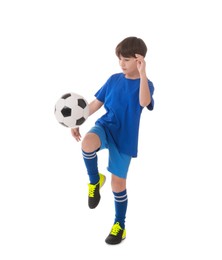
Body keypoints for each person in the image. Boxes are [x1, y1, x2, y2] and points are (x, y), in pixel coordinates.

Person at [71, 36, 154, 245]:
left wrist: (143, 74)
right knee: (87, 143)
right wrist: (78, 120)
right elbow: (96, 104)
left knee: (118, 185)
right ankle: (94, 180)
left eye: (126, 60)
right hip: (106, 126)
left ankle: (120, 225)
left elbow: (144, 102)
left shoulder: (147, 85)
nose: (121, 64)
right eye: (120, 60)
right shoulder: (113, 79)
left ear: (139, 60)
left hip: (124, 138)